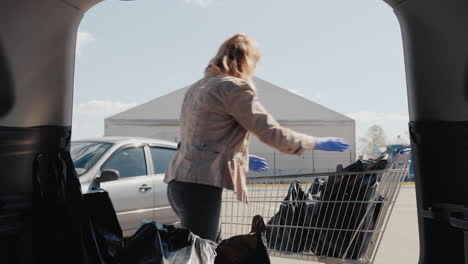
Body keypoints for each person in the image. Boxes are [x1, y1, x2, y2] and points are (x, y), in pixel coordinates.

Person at [164, 33, 349, 241]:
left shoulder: (199, 87)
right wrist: (315, 142)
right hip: (200, 186)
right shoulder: (233, 87)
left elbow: (199, 137)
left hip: (179, 181)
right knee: (203, 252)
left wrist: (238, 158)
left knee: (211, 249)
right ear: (246, 60)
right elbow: (271, 133)